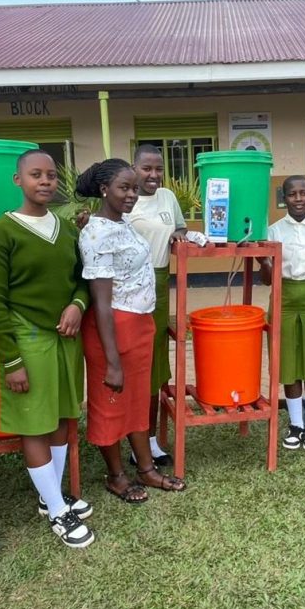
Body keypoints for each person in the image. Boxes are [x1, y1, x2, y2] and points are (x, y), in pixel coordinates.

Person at [0, 149, 94, 548]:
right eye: (35, 175)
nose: (45, 181)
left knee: (62, 416)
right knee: (35, 423)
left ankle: (52, 497)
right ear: (18, 180)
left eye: (50, 175)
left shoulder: (67, 230)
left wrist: (77, 305)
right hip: (26, 338)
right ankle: (58, 511)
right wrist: (11, 361)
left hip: (65, 339)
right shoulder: (1, 232)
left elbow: (83, 279)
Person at [76, 158, 186, 504]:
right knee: (110, 403)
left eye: (134, 189)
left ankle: (146, 468)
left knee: (138, 401)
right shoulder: (96, 233)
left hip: (139, 324)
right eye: (124, 188)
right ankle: (116, 476)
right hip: (113, 329)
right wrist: (112, 361)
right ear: (103, 189)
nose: (131, 195)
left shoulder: (122, 224)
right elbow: (101, 302)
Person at [259, 175, 305, 451]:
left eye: (303, 193)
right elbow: (267, 280)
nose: (299, 199)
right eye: (292, 194)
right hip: (284, 301)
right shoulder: (273, 232)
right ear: (284, 198)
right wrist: (264, 262)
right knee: (287, 363)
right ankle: (295, 425)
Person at [125, 144, 188, 466]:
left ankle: (149, 439)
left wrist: (178, 234)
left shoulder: (167, 197)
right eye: (146, 168)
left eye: (158, 169)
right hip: (129, 285)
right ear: (134, 168)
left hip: (160, 284)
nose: (153, 175)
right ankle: (132, 437)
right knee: (134, 364)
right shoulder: (124, 198)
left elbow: (180, 227)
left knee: (155, 363)